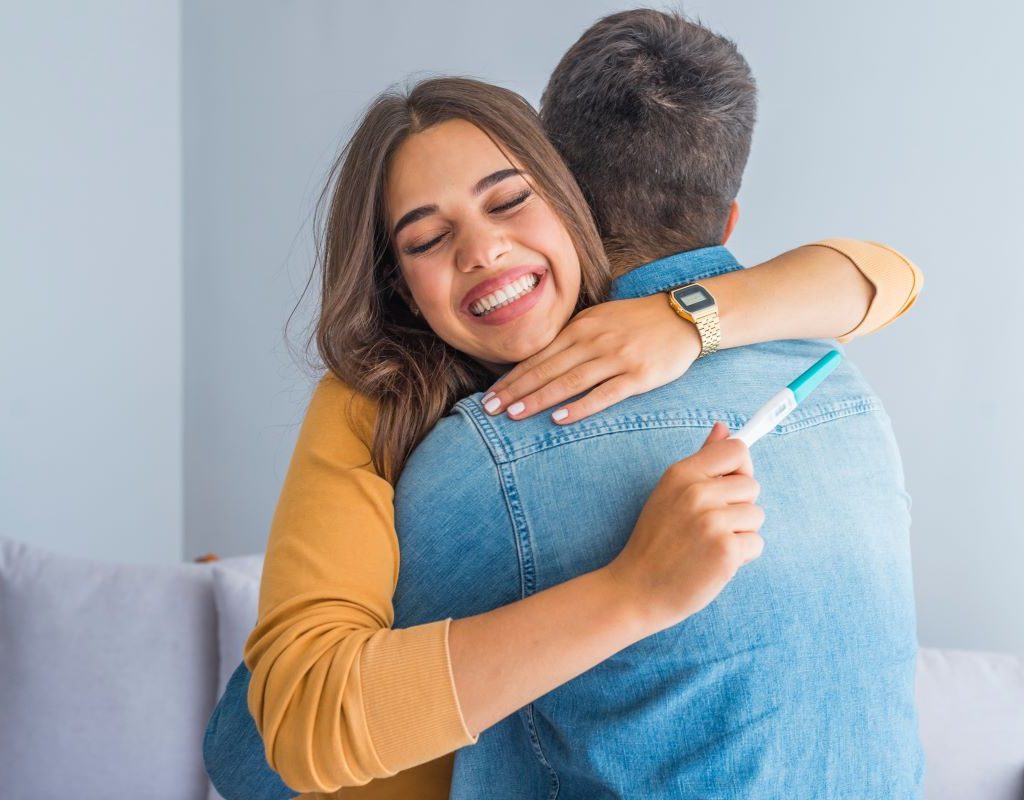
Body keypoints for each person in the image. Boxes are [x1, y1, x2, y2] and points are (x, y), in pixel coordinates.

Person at [205, 28, 922, 800]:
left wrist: (689, 321)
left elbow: (886, 274)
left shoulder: (651, 334)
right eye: (428, 238)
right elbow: (277, 738)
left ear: (569, 196)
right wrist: (632, 589)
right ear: (397, 282)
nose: (481, 250)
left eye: (510, 200)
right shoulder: (379, 404)